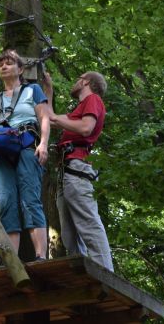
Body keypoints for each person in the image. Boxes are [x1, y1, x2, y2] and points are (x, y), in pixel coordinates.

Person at [0, 49, 50, 261]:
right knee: (6, 201)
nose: (4, 67)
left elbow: (44, 118)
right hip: (1, 155)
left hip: (27, 147)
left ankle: (40, 255)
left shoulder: (33, 90)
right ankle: (10, 259)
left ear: (20, 69)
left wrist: (43, 144)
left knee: (30, 199)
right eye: (1, 65)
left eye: (9, 63)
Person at [42, 71, 114, 271]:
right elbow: (52, 119)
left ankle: (106, 273)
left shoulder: (93, 99)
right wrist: (49, 90)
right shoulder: (79, 109)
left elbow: (86, 128)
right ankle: (82, 273)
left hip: (77, 168)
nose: (75, 82)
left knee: (89, 224)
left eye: (78, 78)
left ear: (86, 81)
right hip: (67, 171)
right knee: (69, 234)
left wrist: (56, 116)